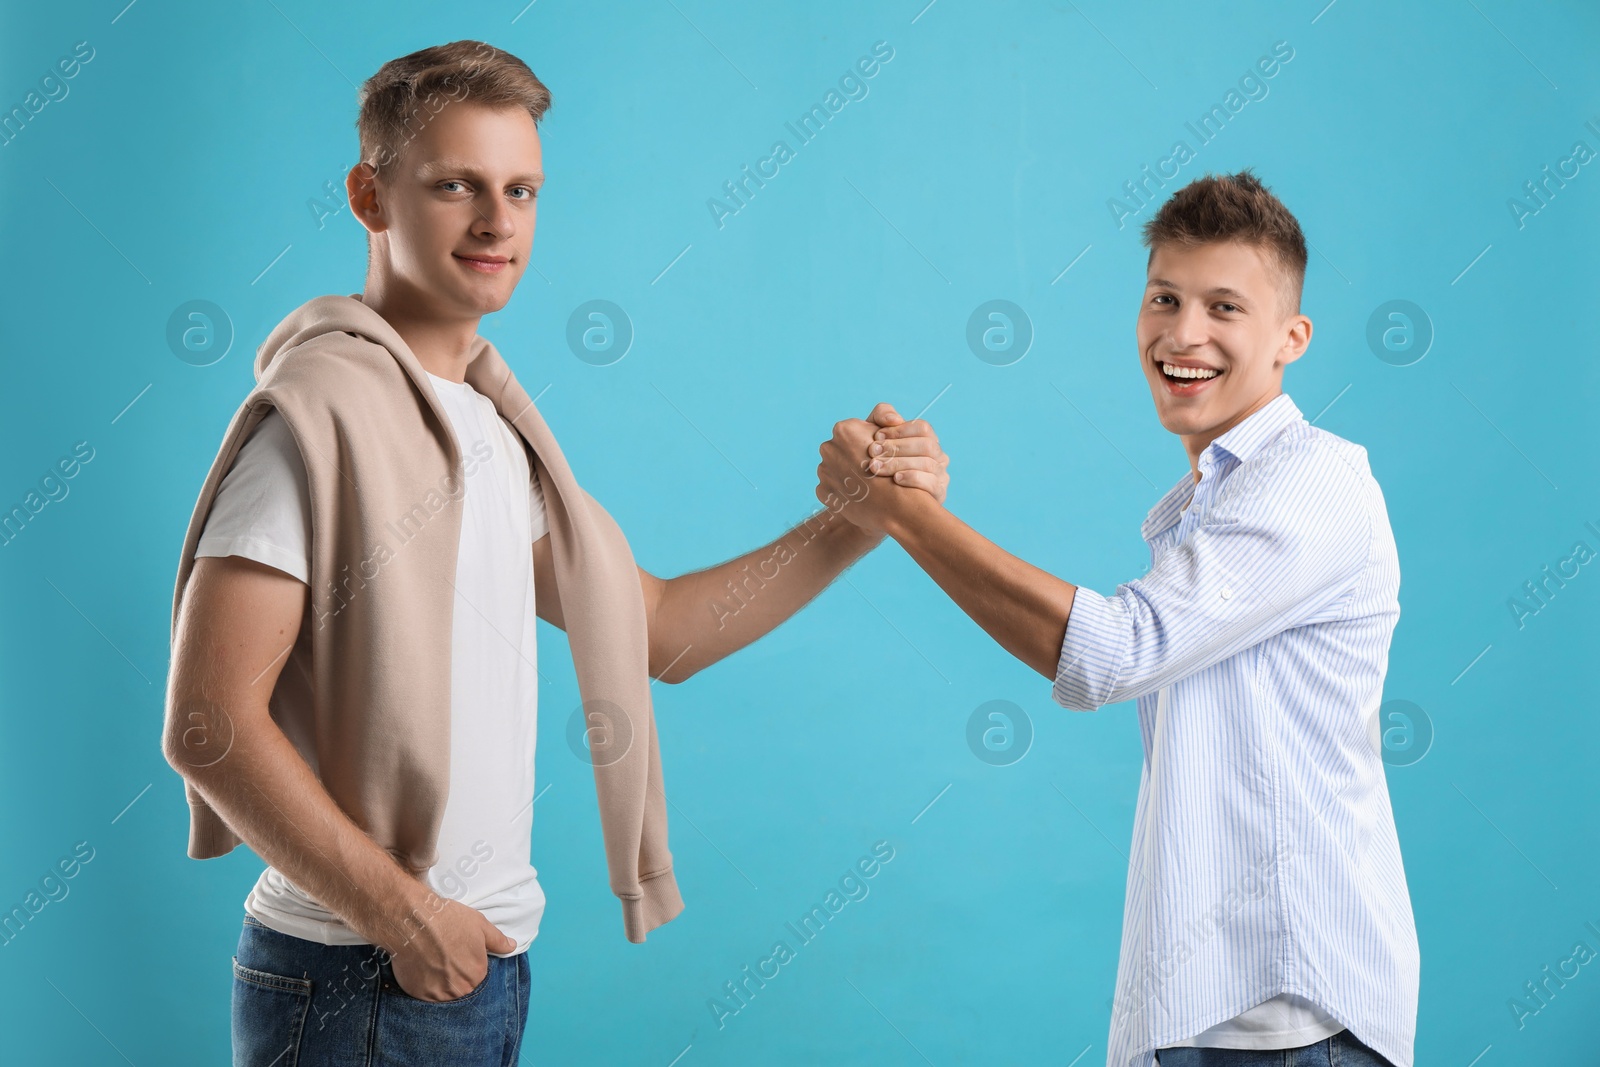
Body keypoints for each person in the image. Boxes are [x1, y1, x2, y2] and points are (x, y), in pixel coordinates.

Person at [160, 40, 948, 1066]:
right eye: (455, 186)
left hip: (473, 967)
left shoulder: (490, 430)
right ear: (371, 196)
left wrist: (862, 519)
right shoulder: (317, 422)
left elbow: (659, 628)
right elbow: (208, 722)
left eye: (521, 190)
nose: (498, 222)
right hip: (359, 972)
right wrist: (405, 915)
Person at [816, 169, 1418, 1067]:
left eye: (1224, 307)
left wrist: (906, 516)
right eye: (1164, 299)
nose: (1183, 333)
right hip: (1213, 1023)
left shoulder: (1313, 479)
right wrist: (908, 510)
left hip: (1289, 1033)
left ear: (1292, 338)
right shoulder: (1216, 499)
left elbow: (1113, 652)